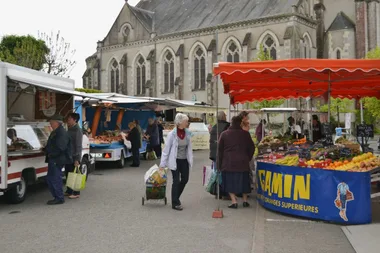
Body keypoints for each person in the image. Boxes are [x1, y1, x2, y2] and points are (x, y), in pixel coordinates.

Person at [218, 116, 255, 209]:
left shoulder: (224, 134)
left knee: (229, 182)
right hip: (243, 162)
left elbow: (220, 151)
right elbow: (252, 147)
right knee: (244, 181)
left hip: (228, 163)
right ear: (240, 123)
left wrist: (219, 164)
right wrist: (248, 157)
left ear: (231, 122)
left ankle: (234, 201)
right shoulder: (245, 134)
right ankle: (245, 200)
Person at [160, 113, 193, 211]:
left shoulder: (187, 133)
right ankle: (175, 202)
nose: (187, 123)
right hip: (175, 160)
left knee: (185, 179)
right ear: (180, 123)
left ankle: (176, 196)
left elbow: (189, 148)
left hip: (184, 160)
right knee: (176, 180)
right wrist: (162, 164)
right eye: (185, 121)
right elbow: (166, 150)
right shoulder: (172, 135)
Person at [45, 115, 72, 205]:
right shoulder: (56, 132)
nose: (50, 123)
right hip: (54, 158)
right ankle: (57, 196)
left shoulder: (61, 133)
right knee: (50, 178)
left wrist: (51, 153)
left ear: (57, 122)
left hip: (57, 159)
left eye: (51, 122)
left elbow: (61, 147)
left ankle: (59, 198)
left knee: (55, 178)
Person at [64, 113, 83, 199]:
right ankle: (69, 190)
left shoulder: (77, 130)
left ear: (74, 120)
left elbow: (78, 145)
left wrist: (77, 159)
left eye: (69, 119)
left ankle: (76, 192)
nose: (68, 120)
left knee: (74, 174)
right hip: (68, 155)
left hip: (74, 155)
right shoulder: (70, 128)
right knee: (68, 173)